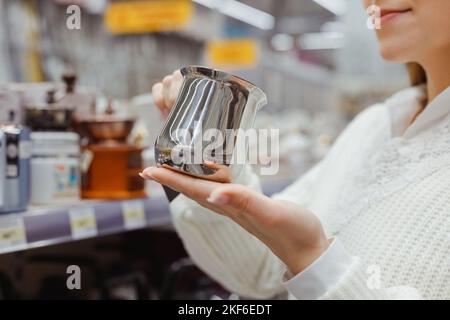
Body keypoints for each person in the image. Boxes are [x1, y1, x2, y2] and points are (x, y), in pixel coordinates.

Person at [142, 0, 450, 299]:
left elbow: (300, 259)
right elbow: (261, 274)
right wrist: (207, 168)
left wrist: (314, 259)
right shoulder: (373, 126)